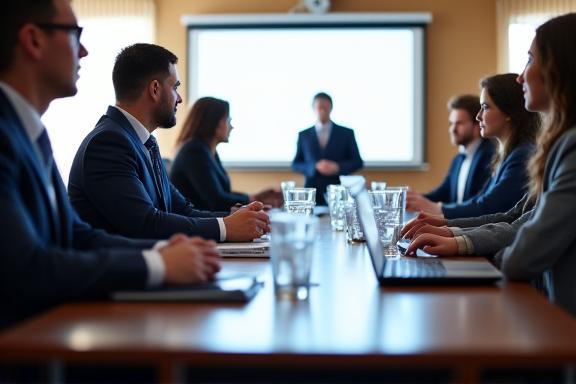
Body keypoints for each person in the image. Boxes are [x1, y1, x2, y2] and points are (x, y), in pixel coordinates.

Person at [0, 0, 220, 329]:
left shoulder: (31, 132)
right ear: (33, 40)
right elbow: (27, 270)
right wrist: (157, 265)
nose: (84, 51)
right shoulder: (9, 135)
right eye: (75, 34)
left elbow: (75, 235)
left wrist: (165, 251)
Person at [406, 13, 576, 316]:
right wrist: (450, 232)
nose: (521, 77)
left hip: (560, 326)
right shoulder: (558, 145)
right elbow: (515, 218)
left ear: (557, 69)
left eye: (529, 60)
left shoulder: (566, 148)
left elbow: (521, 253)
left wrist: (461, 240)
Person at [68, 44, 270, 242]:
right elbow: (144, 224)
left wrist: (237, 218)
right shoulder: (108, 143)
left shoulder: (144, 143)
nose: (179, 99)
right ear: (155, 89)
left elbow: (182, 210)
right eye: (175, 87)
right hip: (122, 273)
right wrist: (226, 227)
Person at [406, 73, 540, 219]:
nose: (478, 116)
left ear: (508, 112)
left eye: (485, 107)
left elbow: (488, 207)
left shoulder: (522, 155)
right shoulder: (504, 156)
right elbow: (479, 200)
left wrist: (439, 212)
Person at [170, 97, 283, 211]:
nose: (231, 127)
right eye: (228, 120)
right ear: (214, 123)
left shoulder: (209, 151)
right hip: (196, 225)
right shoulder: (194, 151)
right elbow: (216, 201)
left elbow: (223, 194)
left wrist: (255, 197)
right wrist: (254, 200)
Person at [407, 95, 494, 207]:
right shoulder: (458, 159)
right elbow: (442, 193)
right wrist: (414, 198)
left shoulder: (490, 156)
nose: (453, 129)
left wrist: (439, 208)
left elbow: (480, 203)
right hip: (456, 223)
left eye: (459, 123)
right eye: (451, 123)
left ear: (476, 125)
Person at [292, 92, 363, 205]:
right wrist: (314, 167)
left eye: (326, 107)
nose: (323, 110)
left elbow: (358, 162)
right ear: (313, 108)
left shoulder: (346, 133)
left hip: (339, 192)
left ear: (331, 107)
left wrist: (337, 167)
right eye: (320, 107)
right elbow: (296, 164)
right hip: (311, 193)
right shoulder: (304, 135)